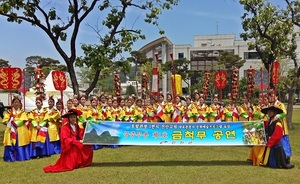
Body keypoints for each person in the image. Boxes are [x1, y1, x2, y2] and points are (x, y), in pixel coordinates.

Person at [43, 109, 93, 173]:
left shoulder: (76, 126)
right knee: (71, 163)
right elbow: (65, 139)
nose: (73, 119)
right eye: (71, 117)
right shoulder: (65, 127)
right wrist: (76, 142)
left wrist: (85, 129)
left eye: (74, 117)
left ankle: (81, 162)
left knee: (88, 150)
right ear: (68, 118)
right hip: (70, 146)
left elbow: (80, 133)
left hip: (76, 143)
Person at [2, 95, 30, 162]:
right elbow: (5, 120)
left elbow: (24, 120)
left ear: (20, 104)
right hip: (10, 130)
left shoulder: (23, 112)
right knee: (11, 142)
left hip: (21, 130)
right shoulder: (8, 112)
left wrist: (15, 123)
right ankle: (10, 157)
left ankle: (20, 157)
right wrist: (10, 121)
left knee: (20, 143)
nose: (16, 104)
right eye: (15, 102)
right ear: (12, 104)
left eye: (18, 102)